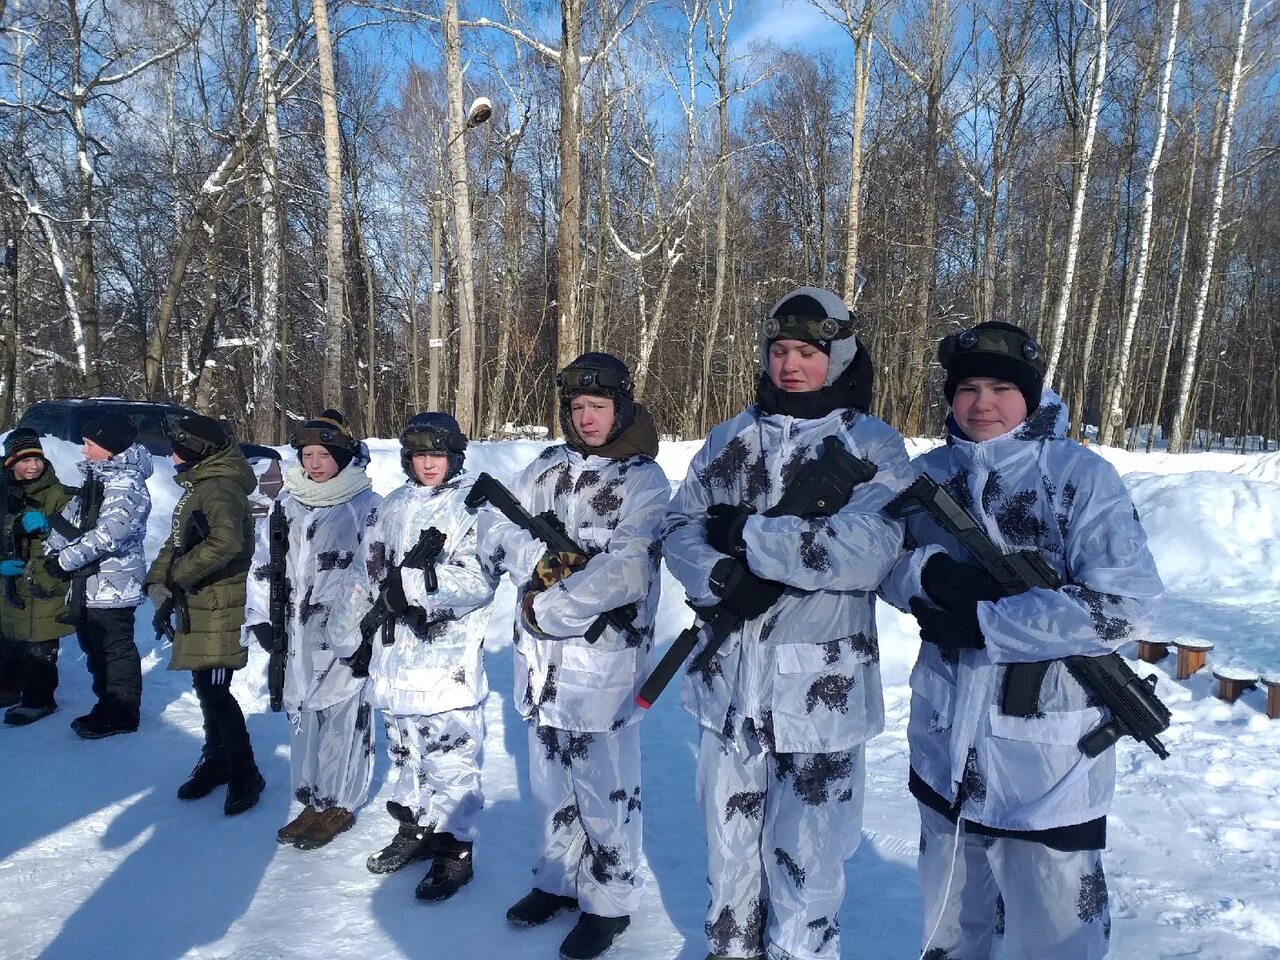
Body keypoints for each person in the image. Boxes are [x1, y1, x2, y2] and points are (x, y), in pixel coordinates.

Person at [878, 321, 1163, 960]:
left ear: (1030, 397)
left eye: (1002, 388)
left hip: (1048, 765)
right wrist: (928, 578)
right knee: (948, 930)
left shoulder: (1077, 477)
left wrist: (987, 621)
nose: (983, 404)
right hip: (944, 743)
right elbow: (874, 558)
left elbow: (1126, 605)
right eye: (969, 388)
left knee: (1056, 932)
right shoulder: (927, 476)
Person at [661, 286, 913, 960]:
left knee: (810, 861)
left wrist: (749, 539)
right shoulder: (729, 439)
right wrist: (716, 578)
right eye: (779, 350)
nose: (791, 364)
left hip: (820, 693)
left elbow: (870, 549)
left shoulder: (872, 445)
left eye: (808, 351)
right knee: (730, 850)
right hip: (727, 687)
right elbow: (680, 526)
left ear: (839, 355)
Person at [478, 353, 668, 960]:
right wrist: (536, 562)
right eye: (578, 408)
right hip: (539, 664)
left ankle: (608, 902)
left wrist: (556, 603)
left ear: (621, 408)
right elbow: (491, 522)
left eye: (598, 407)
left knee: (606, 790)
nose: (587, 418)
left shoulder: (643, 479)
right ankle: (558, 881)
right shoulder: (547, 466)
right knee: (547, 783)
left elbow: (629, 567)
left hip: (602, 663)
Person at [335, 412, 497, 901]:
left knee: (450, 760)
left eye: (438, 456)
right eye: (420, 456)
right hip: (393, 661)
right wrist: (351, 635)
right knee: (407, 754)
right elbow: (366, 573)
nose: (429, 464)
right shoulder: (392, 506)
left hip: (446, 664)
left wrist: (417, 587)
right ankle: (415, 828)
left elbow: (481, 580)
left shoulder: (472, 508)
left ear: (454, 458)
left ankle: (454, 849)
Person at [243, 411, 381, 849]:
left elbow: (375, 573)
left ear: (342, 457)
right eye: (307, 454)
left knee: (342, 716)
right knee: (302, 717)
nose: (316, 463)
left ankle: (338, 803)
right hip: (295, 634)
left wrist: (364, 634)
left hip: (343, 633)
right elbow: (264, 563)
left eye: (324, 454)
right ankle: (311, 798)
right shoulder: (288, 502)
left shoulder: (365, 505)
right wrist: (262, 616)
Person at [145, 414, 264, 816]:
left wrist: (178, 576)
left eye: (178, 446)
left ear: (196, 451)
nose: (172, 453)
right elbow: (178, 540)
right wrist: (158, 578)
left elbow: (225, 541)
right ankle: (216, 761)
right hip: (200, 603)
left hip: (219, 605)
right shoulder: (201, 482)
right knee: (205, 688)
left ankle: (246, 772)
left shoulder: (218, 487)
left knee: (215, 690)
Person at [42, 414, 152, 738]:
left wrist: (65, 561)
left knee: (115, 651)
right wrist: (53, 548)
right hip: (89, 584)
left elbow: (111, 533)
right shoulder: (97, 478)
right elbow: (71, 519)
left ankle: (122, 713)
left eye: (90, 445)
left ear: (110, 447)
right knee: (94, 648)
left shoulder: (127, 483)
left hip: (114, 586)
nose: (84, 451)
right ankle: (106, 704)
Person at [1, 429, 75, 725]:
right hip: (9, 580)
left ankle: (39, 700)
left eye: (37, 458)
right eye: (24, 460)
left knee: (41, 642)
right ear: (10, 462)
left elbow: (77, 535)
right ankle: (9, 688)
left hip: (45, 580)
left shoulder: (58, 494)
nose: (32, 466)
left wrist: (49, 525)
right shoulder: (3, 492)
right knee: (9, 638)